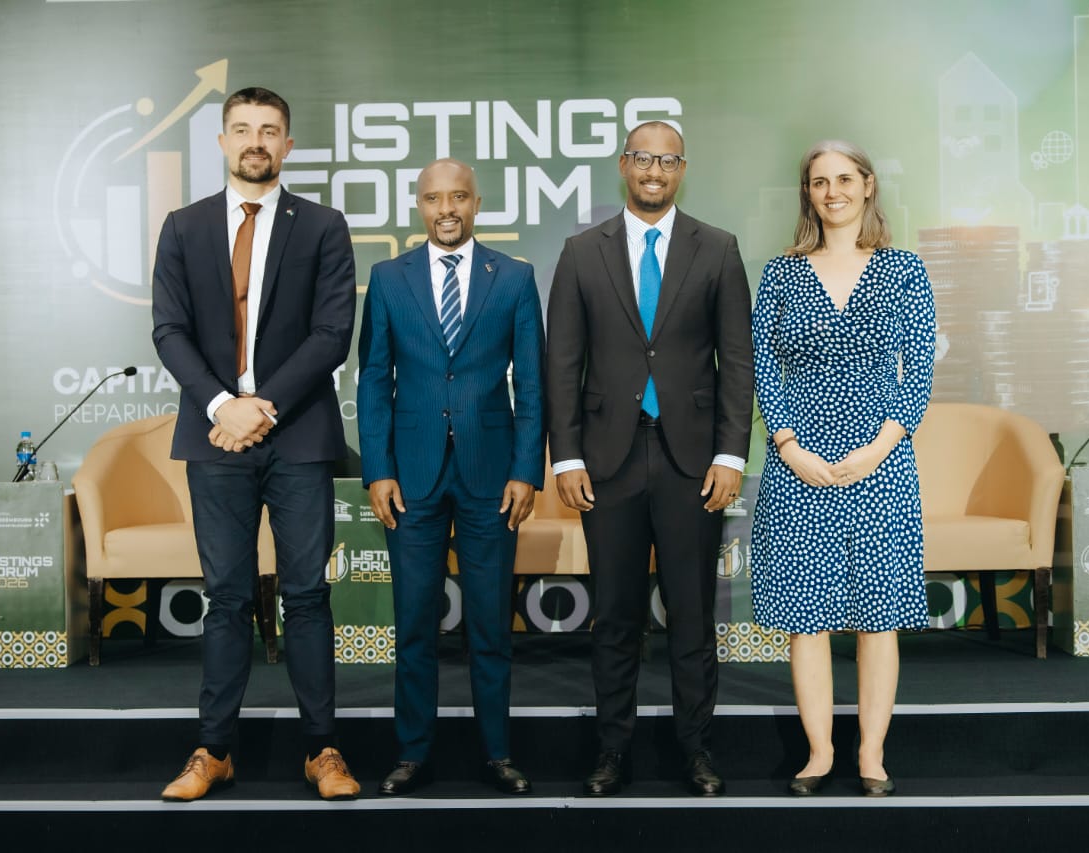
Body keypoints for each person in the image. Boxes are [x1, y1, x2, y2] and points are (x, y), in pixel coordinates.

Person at [151, 86, 360, 801]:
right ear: (220, 141)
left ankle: (321, 749)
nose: (255, 141)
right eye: (242, 129)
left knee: (306, 595)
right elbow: (168, 331)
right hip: (214, 438)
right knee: (227, 597)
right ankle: (214, 751)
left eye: (269, 130)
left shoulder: (324, 226)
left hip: (297, 433)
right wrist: (222, 405)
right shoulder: (182, 226)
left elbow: (333, 332)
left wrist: (260, 407)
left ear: (288, 144)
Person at [546, 122, 754, 796]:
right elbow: (563, 365)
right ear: (624, 165)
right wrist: (566, 458)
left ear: (682, 168)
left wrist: (730, 452)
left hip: (693, 461)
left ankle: (697, 750)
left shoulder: (718, 249)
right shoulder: (581, 253)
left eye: (667, 160)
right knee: (615, 614)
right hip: (606, 460)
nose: (654, 171)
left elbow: (736, 363)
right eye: (643, 158)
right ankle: (614, 750)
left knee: (692, 617)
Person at [749, 140, 935, 798]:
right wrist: (789, 443)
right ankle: (820, 752)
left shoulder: (904, 270)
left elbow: (918, 369)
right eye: (819, 181)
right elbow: (762, 368)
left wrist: (877, 448)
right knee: (807, 617)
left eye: (844, 179)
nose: (832, 191)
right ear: (808, 193)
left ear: (868, 185)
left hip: (880, 463)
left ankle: (873, 754)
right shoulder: (780, 273)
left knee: (877, 616)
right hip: (797, 466)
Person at [357, 158, 545, 796]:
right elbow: (372, 381)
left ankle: (497, 752)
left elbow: (534, 384)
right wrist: (377, 469)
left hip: (492, 476)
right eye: (435, 198)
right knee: (414, 623)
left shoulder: (515, 278)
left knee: (491, 624)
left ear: (476, 203)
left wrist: (527, 468)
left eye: (458, 197)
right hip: (410, 478)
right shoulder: (387, 278)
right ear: (418, 204)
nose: (447, 209)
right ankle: (412, 752)